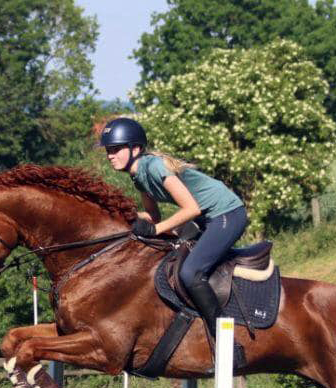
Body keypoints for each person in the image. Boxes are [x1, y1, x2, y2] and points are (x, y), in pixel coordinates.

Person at [99, 117, 248, 339]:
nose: (110, 155)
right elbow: (152, 215)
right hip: (206, 217)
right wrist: (117, 215)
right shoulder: (138, 176)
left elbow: (191, 209)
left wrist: (156, 229)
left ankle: (226, 339)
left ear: (135, 148)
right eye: (109, 150)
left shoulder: (155, 167)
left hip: (226, 213)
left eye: (116, 149)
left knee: (190, 273)